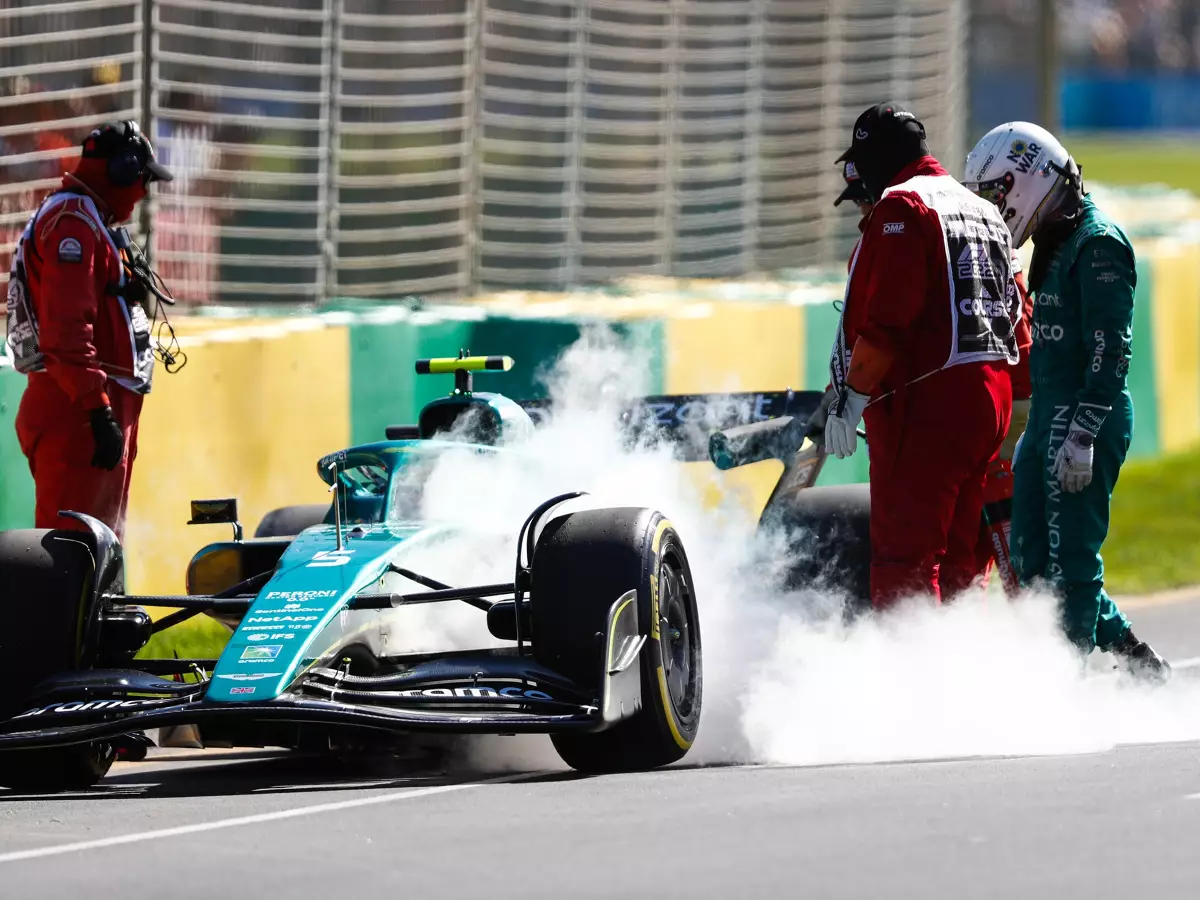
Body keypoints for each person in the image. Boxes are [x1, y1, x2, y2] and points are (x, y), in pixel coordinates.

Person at [963, 122, 1169, 680]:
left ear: (1026, 179)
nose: (993, 207)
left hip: (1086, 418)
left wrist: (1081, 433)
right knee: (1030, 563)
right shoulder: (1054, 240)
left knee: (1072, 567)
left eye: (996, 192)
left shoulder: (1098, 242)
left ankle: (1066, 689)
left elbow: (1111, 350)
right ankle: (1138, 665)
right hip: (1051, 416)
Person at [823, 102, 1021, 609]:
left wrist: (850, 401)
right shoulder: (981, 208)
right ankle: (956, 673)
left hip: (928, 408)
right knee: (959, 566)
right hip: (988, 402)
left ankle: (909, 685)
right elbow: (1015, 317)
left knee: (904, 568)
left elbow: (888, 325)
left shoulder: (902, 207)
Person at [6, 120, 173, 542]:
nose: (143, 192)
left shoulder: (87, 218)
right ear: (121, 171)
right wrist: (97, 411)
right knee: (74, 551)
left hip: (87, 405)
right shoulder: (73, 223)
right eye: (142, 179)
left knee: (99, 547)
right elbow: (65, 332)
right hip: (77, 412)